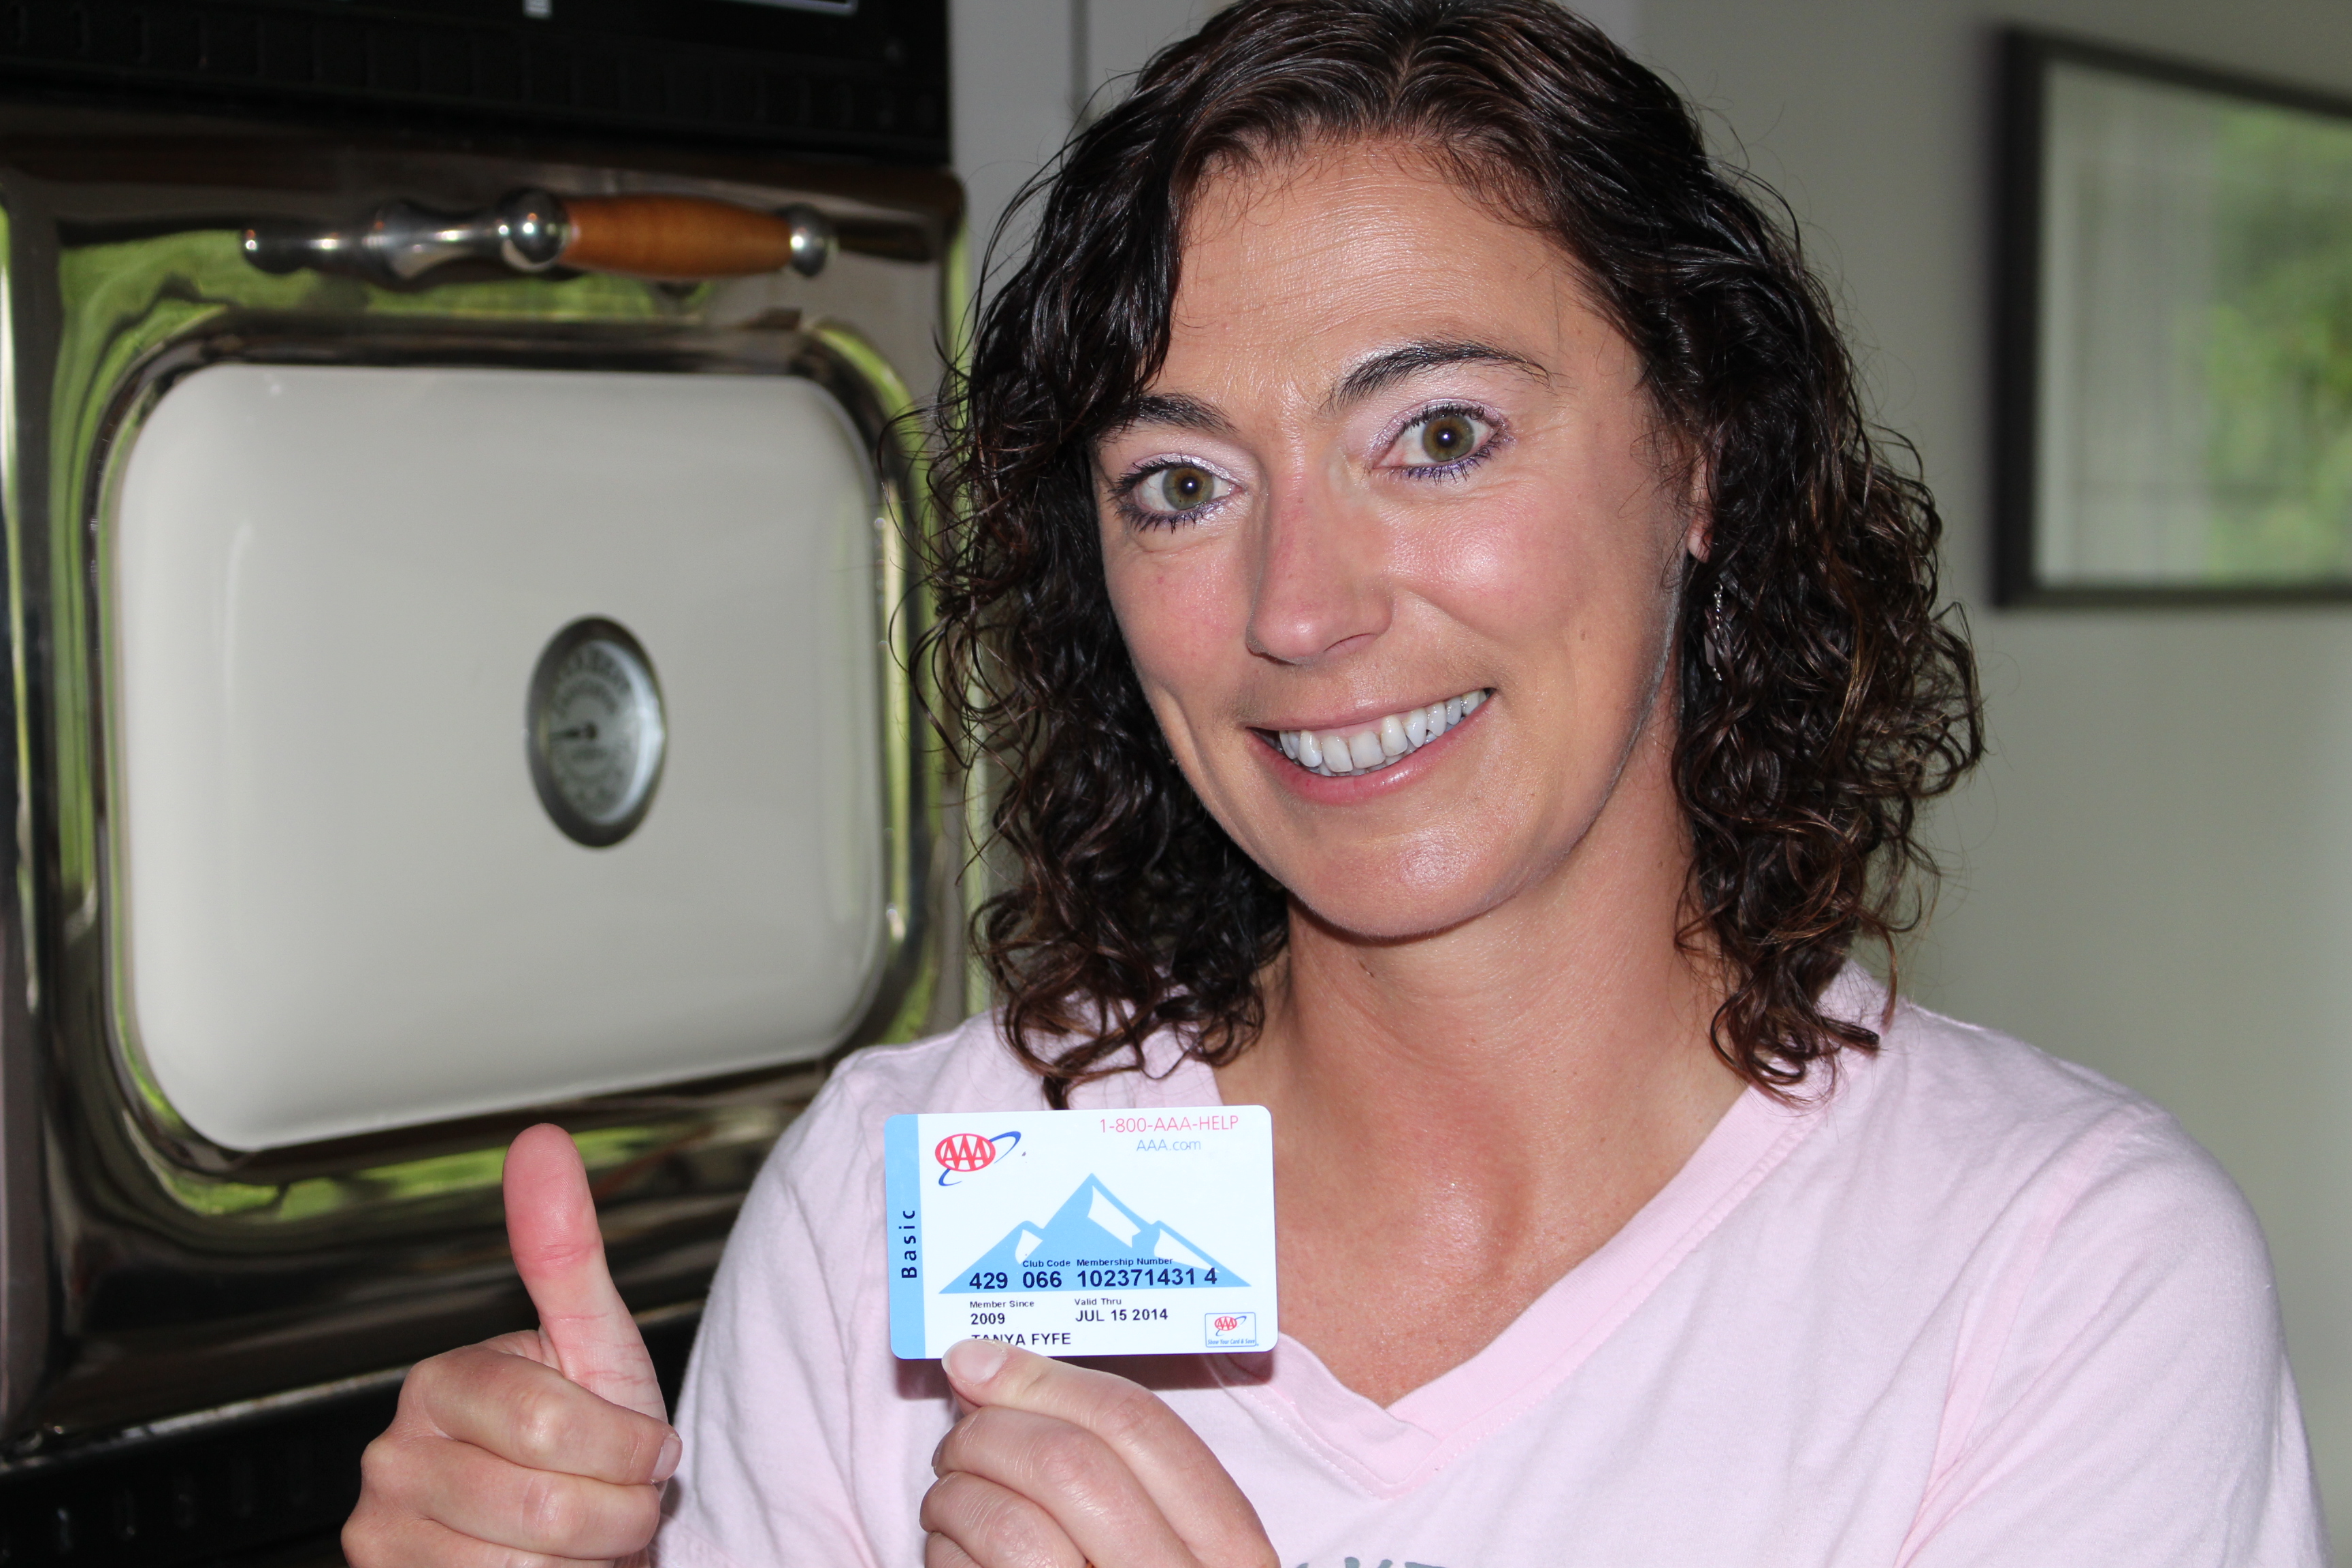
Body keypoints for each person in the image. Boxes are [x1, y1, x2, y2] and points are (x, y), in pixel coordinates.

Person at [343, 3, 2330, 1564]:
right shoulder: (903, 1202)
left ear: (1700, 455)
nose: (1298, 608)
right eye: (1179, 484)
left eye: (1440, 435)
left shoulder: (2052, 1279)